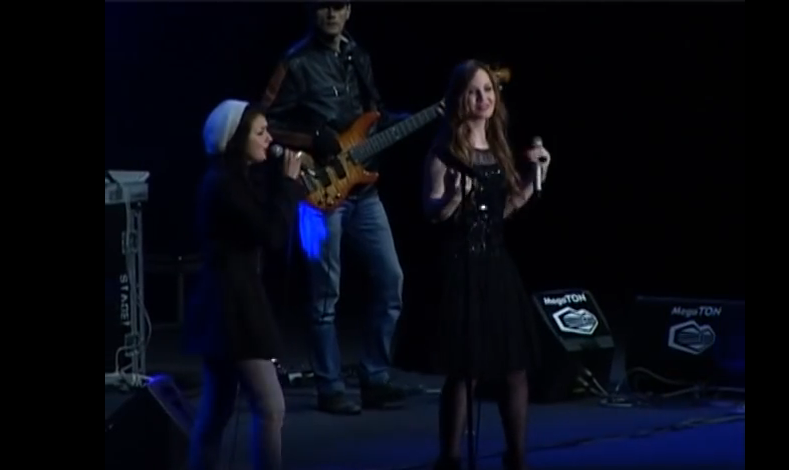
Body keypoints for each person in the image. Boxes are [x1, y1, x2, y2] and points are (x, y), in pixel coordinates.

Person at [392, 60, 552, 470]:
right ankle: (450, 458)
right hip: (460, 267)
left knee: (514, 369)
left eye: (488, 90)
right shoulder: (445, 150)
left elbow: (503, 211)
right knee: (467, 371)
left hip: (496, 266)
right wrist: (452, 198)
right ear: (459, 98)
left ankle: (516, 456)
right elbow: (432, 212)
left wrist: (534, 179)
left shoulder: (498, 146)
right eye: (474, 91)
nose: (483, 98)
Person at [259, 1, 411, 415]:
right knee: (324, 295)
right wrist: (313, 137)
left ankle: (375, 376)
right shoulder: (295, 63)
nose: (330, 13)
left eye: (338, 5)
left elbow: (374, 114)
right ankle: (330, 386)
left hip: (363, 190)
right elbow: (262, 123)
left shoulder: (358, 55)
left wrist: (416, 118)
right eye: (323, 6)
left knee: (391, 281)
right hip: (316, 196)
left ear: (349, 11)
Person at [184, 99, 306, 470]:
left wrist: (284, 186)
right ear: (236, 138)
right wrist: (289, 185)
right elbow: (271, 234)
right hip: (233, 308)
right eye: (260, 132)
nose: (270, 139)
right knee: (270, 408)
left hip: (225, 303)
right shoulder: (224, 185)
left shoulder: (231, 180)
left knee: (217, 410)